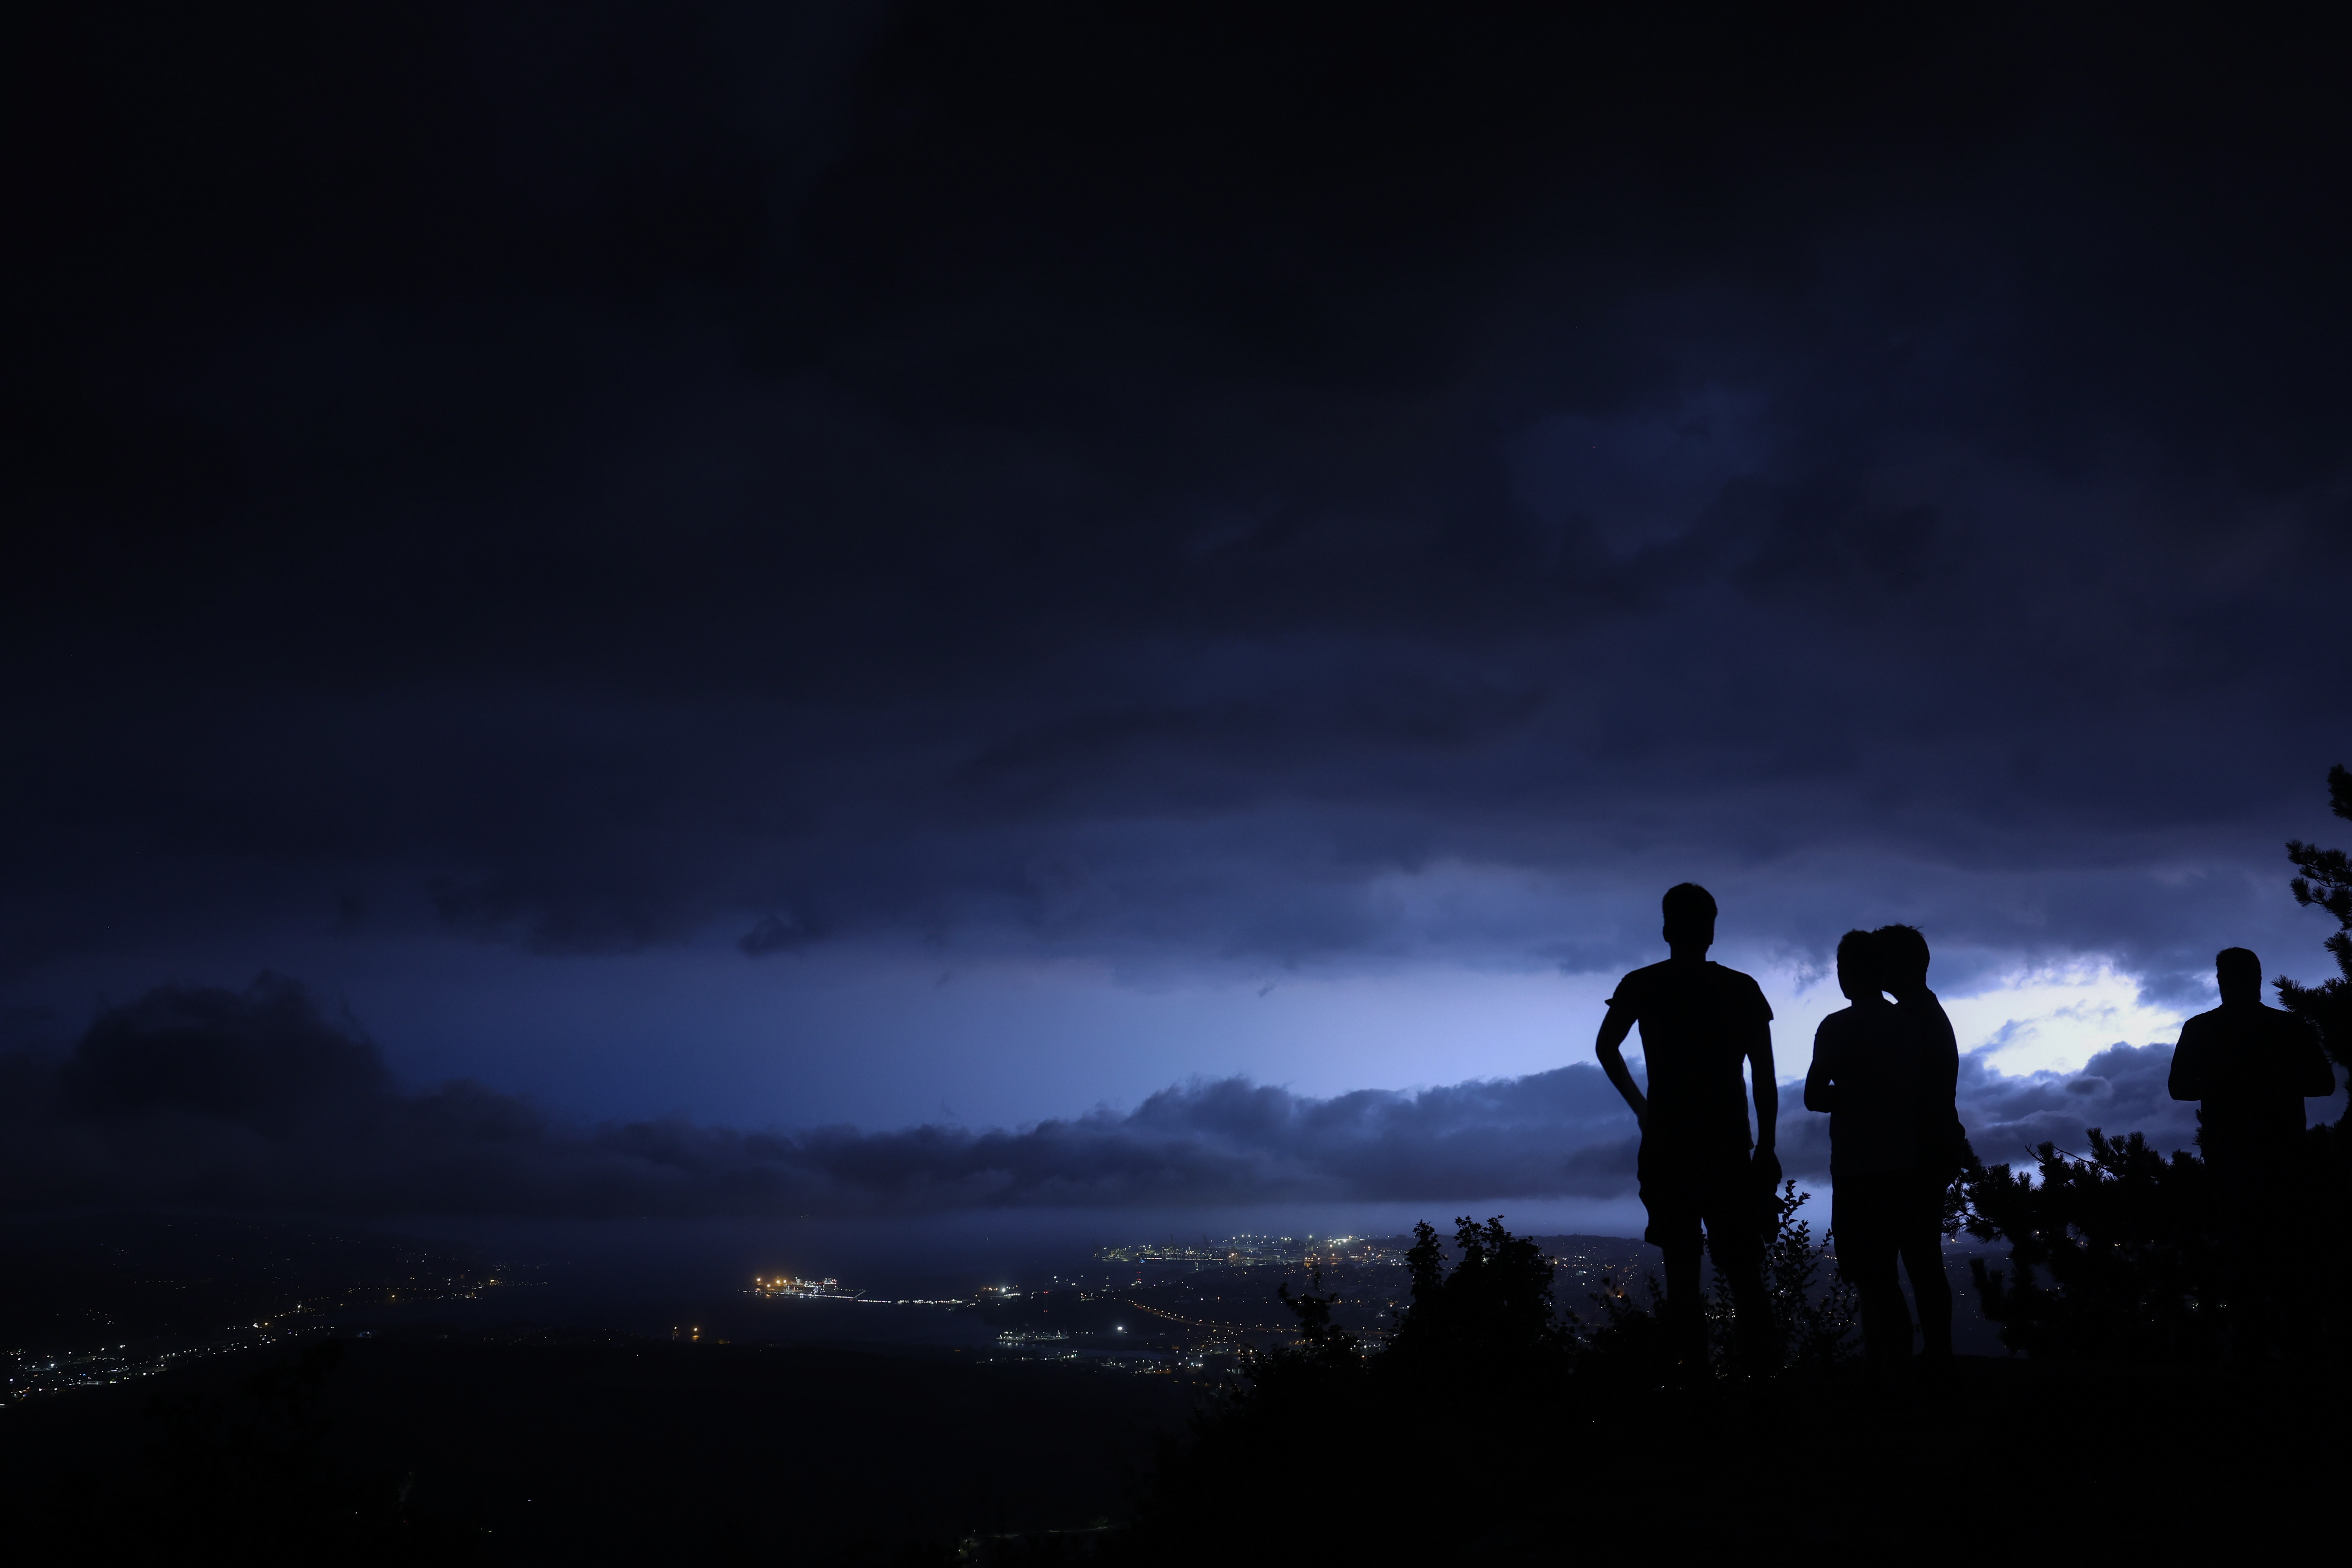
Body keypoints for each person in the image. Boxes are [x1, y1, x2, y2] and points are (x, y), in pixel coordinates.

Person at [1595, 882, 1778, 1369]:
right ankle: (1763, 1383)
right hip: (1728, 1147)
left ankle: (1696, 1385)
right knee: (1744, 1273)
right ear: (1711, 932)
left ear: (1666, 930)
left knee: (1682, 1275)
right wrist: (1767, 1147)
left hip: (1668, 1147)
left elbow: (1606, 1047)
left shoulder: (1643, 984)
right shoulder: (1740, 988)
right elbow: (1764, 1074)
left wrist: (1642, 1108)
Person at [2168, 947, 2336, 1356]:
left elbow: (2180, 1088)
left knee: (2242, 1256)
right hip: (2283, 1158)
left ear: (2220, 981)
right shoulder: (2288, 1027)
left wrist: (2223, 1082)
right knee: (2288, 1257)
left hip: (2233, 1160)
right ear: (2258, 979)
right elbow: (2323, 1084)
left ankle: (2253, 1351)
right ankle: (2297, 1351)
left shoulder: (2202, 1028)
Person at [1805, 929, 1936, 1378]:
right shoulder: (1907, 1024)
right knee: (1889, 1277)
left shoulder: (1835, 1027)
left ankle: (1883, 1371)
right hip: (1904, 1163)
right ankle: (1893, 1370)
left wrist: (1848, 1097)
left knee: (1871, 1276)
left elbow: (1813, 1096)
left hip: (1856, 1168)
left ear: (1848, 973)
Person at [1862, 922, 1963, 1370]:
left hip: (1913, 1153)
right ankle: (1934, 1357)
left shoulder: (1907, 1019)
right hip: (1929, 1148)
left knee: (1905, 1262)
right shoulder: (1924, 1012)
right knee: (1922, 1259)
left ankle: (1907, 1364)